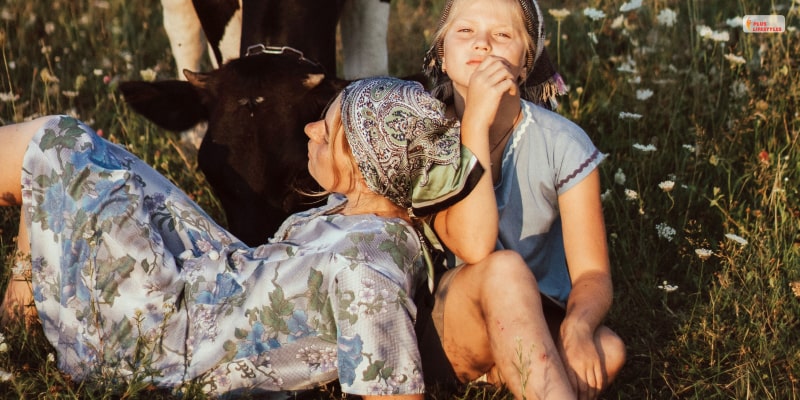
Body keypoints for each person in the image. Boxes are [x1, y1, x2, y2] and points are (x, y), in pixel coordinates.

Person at [0, 77, 495, 398]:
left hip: (170, 336)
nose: (310, 128)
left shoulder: (369, 269)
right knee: (90, 156)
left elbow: (392, 391)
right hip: (208, 278)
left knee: (56, 140)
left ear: (366, 166)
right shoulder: (357, 210)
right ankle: (22, 297)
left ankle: (25, 302)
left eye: (328, 128)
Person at [417, 0, 627, 399]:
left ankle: (511, 377)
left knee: (608, 351)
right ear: (442, 57)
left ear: (526, 64)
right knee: (503, 269)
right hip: (448, 324)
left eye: (502, 35)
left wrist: (578, 326)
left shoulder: (561, 142)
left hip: (528, 316)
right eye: (465, 32)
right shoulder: (425, 137)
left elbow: (592, 275)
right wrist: (475, 120)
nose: (482, 44)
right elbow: (474, 245)